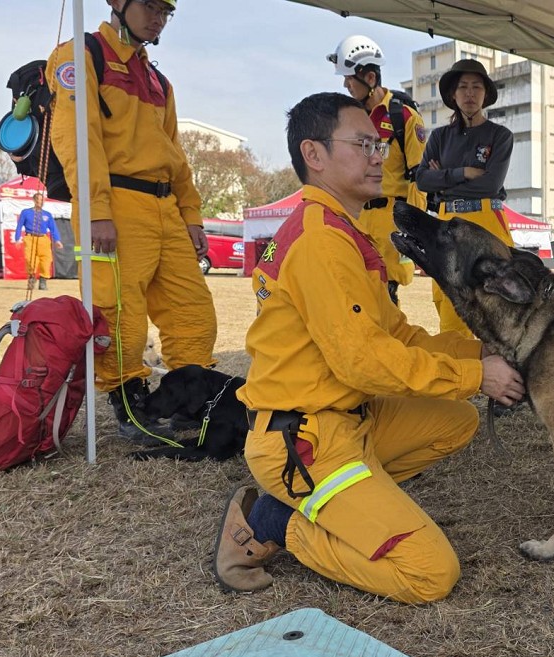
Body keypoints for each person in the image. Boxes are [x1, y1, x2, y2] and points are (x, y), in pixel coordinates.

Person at [214, 92, 524, 605]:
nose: (379, 156)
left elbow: (397, 337)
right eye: (363, 144)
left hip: (349, 418)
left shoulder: (346, 232)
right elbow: (363, 361)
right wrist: (476, 378)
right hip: (305, 437)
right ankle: (275, 525)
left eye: (378, 145)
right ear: (314, 155)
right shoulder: (320, 240)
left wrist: (484, 351)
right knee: (430, 574)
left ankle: (348, 499)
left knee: (456, 421)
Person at [46, 0, 216, 443]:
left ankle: (188, 398)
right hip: (116, 203)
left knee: (193, 310)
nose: (158, 16)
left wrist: (191, 215)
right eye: (149, 5)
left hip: (164, 208)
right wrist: (97, 210)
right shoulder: (81, 54)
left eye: (166, 10)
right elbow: (77, 140)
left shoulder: (159, 80)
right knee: (120, 312)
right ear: (117, 2)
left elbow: (177, 157)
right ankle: (130, 404)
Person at [416, 59, 514, 336]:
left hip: (487, 219)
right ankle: (460, 377)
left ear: (485, 94)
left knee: (497, 306)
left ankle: (500, 376)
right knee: (450, 309)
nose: (469, 94)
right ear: (453, 95)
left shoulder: (500, 136)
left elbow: (490, 184)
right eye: (463, 87)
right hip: (447, 222)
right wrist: (464, 172)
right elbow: (422, 180)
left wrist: (444, 178)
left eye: (476, 87)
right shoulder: (439, 138)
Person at [327, 35, 427, 305]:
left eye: (349, 78)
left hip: (390, 219)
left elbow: (419, 177)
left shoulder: (403, 116)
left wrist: (416, 226)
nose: (345, 85)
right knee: (355, 291)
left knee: (385, 295)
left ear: (370, 78)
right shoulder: (350, 118)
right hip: (357, 217)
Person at [14, 192, 63, 291]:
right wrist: (17, 238)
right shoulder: (26, 212)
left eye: (42, 200)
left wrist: (57, 240)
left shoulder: (47, 214)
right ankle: (32, 278)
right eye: (38, 200)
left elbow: (53, 228)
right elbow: (19, 226)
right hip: (30, 238)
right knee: (30, 259)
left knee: (46, 260)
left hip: (43, 239)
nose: (40, 202)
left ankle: (43, 281)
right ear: (34, 200)